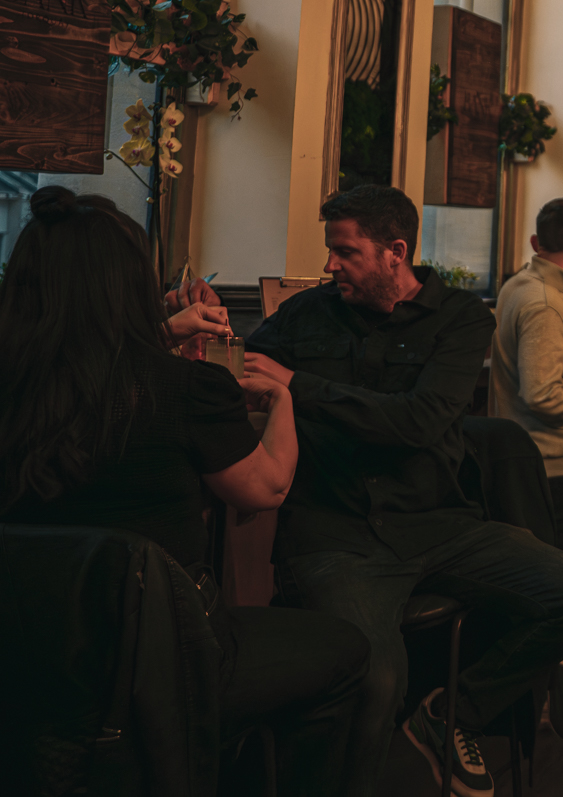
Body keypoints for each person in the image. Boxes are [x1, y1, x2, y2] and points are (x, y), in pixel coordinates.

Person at [0, 188, 370, 797]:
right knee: (346, 652)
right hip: (161, 654)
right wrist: (284, 400)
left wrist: (160, 335)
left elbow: (84, 367)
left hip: (26, 651)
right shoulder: (183, 388)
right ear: (129, 287)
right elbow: (266, 488)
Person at [248, 185, 563, 797]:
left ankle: (451, 714)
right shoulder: (307, 313)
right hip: (336, 533)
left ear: (395, 252)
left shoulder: (462, 319)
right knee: (375, 680)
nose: (330, 264)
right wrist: (195, 332)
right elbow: (244, 367)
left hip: (439, 525)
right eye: (331, 249)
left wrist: (298, 385)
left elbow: (417, 422)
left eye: (345, 251)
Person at [490, 195, 563, 732]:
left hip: (527, 458)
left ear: (536, 242)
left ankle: (543, 696)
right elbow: (540, 393)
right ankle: (555, 701)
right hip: (554, 463)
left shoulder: (518, 286)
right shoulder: (547, 304)